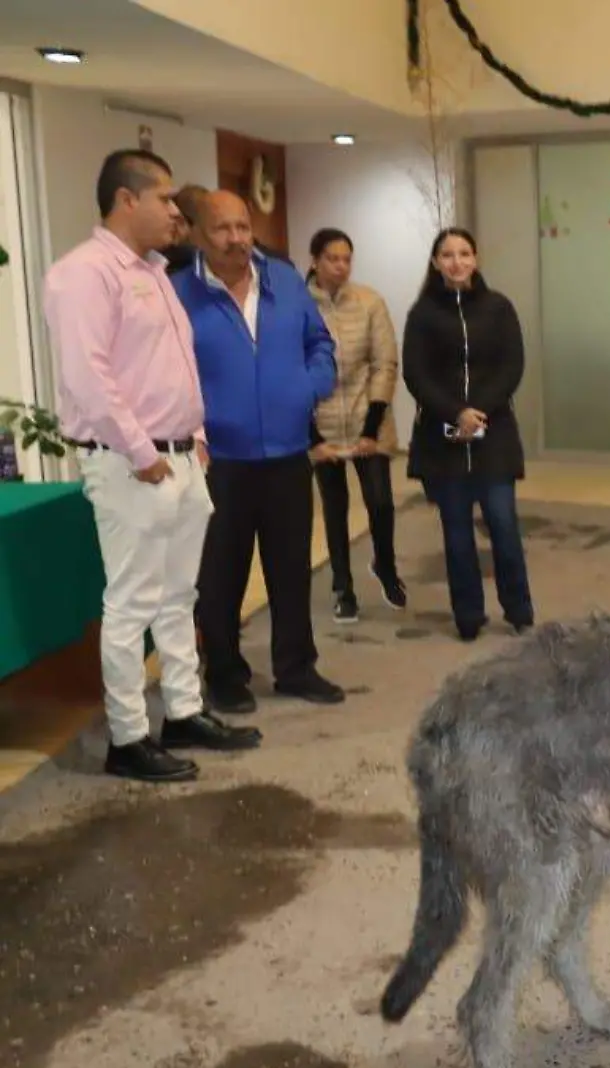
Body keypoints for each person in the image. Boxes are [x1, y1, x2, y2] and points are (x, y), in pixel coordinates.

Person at [43, 150, 262, 782]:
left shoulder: (156, 271)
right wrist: (143, 455)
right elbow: (90, 379)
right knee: (132, 604)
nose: (177, 211)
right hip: (131, 465)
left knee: (177, 597)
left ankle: (185, 711)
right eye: (166, 199)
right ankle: (128, 736)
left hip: (180, 459)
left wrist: (192, 435)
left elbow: (173, 367)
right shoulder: (84, 274)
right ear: (126, 200)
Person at [173, 190, 345, 713]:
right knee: (220, 575)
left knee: (292, 567)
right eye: (223, 229)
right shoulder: (178, 292)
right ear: (200, 235)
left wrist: (308, 385)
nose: (237, 239)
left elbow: (321, 344)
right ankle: (225, 674)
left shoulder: (286, 281)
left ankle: (296, 667)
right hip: (219, 459)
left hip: (288, 454)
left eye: (243, 227)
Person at [402, 227, 533, 642]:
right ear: (436, 262)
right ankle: (468, 616)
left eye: (463, 253)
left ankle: (519, 609)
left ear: (475, 259)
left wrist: (479, 413)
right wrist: (455, 413)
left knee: (503, 525)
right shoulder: (422, 314)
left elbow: (512, 366)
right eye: (447, 255)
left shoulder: (498, 308)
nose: (456, 262)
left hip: (492, 432)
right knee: (456, 532)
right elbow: (415, 373)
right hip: (444, 437)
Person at [306, 227, 408, 623]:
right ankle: (342, 587)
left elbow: (385, 362)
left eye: (347, 258)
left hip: (370, 416)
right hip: (323, 421)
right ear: (314, 260)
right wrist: (312, 435)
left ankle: (385, 565)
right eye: (333, 258)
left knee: (380, 500)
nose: (341, 266)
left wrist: (371, 427)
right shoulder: (298, 304)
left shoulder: (369, 301)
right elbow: (293, 369)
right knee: (334, 507)